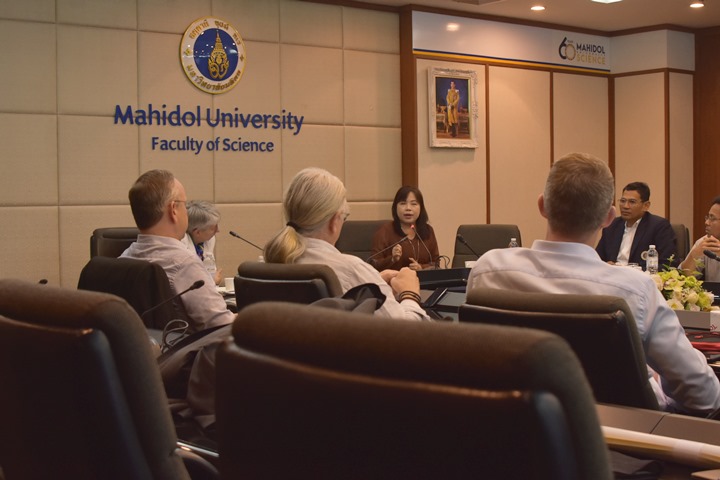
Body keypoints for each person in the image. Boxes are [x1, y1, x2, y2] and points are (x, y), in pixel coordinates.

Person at [468, 153, 720, 416]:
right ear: (609, 217)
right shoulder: (635, 291)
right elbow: (704, 397)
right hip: (621, 436)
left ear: (542, 206)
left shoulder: (488, 271)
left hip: (506, 428)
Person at [263, 167, 429, 321]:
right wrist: (410, 294)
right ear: (334, 221)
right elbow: (406, 334)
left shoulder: (268, 264)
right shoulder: (352, 269)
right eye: (345, 217)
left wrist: (373, 281)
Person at [121, 170, 234, 333]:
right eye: (185, 205)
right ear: (173, 209)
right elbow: (221, 325)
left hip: (145, 347)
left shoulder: (124, 257)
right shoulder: (184, 263)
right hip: (189, 348)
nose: (187, 212)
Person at [595, 182, 677, 269]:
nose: (625, 206)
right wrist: (605, 265)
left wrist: (630, 269)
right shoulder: (612, 225)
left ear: (646, 206)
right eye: (623, 201)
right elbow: (597, 259)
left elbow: (669, 264)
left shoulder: (658, 226)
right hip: (612, 275)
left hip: (640, 276)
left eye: (632, 202)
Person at [369, 186, 440, 271]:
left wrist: (421, 267)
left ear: (421, 208)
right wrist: (392, 259)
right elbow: (373, 265)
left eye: (414, 204)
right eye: (403, 203)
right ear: (395, 207)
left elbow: (436, 263)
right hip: (393, 278)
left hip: (422, 279)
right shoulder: (384, 231)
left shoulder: (428, 231)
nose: (408, 208)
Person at [181, 200, 222, 285]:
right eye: (213, 228)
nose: (218, 230)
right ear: (197, 232)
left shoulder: (209, 240)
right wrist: (211, 281)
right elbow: (189, 279)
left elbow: (209, 271)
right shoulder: (181, 244)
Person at [680, 195, 720, 281]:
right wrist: (693, 255)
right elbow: (682, 278)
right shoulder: (705, 242)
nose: (706, 222)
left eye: (712, 218)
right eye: (708, 217)